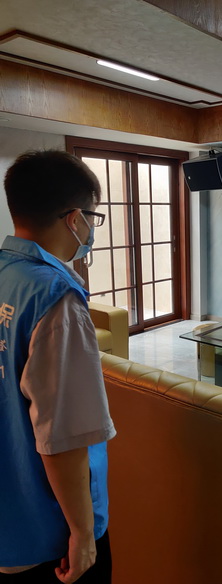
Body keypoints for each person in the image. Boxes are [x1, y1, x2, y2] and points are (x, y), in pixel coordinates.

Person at [0, 150, 117, 582]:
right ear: (74, 219)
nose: (90, 230)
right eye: (93, 217)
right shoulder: (56, 297)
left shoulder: (6, 274)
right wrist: (82, 533)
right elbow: (63, 435)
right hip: (48, 533)